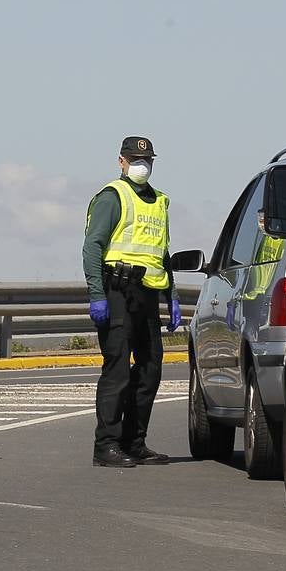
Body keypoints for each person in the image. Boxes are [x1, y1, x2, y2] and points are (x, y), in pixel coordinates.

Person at [84, 136, 180, 467]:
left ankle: (134, 441)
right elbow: (92, 246)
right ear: (121, 161)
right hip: (117, 291)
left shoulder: (159, 202)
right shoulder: (113, 196)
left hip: (148, 294)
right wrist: (97, 295)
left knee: (151, 368)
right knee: (118, 370)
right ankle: (106, 445)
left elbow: (161, 253)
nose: (143, 165)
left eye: (148, 160)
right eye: (135, 159)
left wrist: (173, 296)